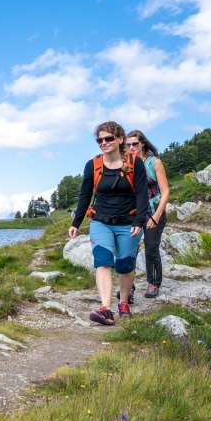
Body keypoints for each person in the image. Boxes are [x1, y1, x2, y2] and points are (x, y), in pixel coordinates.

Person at [68, 121, 148, 325]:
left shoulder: (134, 162)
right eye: (100, 139)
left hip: (128, 222)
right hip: (101, 221)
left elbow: (141, 193)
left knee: (125, 264)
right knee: (103, 262)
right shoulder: (93, 165)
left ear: (120, 139)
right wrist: (76, 223)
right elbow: (84, 196)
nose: (104, 142)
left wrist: (139, 220)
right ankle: (105, 307)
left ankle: (123, 302)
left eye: (108, 138)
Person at [125, 130, 171, 299]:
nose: (132, 148)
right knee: (129, 249)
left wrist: (158, 215)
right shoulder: (126, 165)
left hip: (153, 211)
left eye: (135, 144)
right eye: (128, 145)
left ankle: (153, 284)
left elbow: (165, 191)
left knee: (151, 248)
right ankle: (128, 287)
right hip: (134, 213)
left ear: (142, 143)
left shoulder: (154, 163)